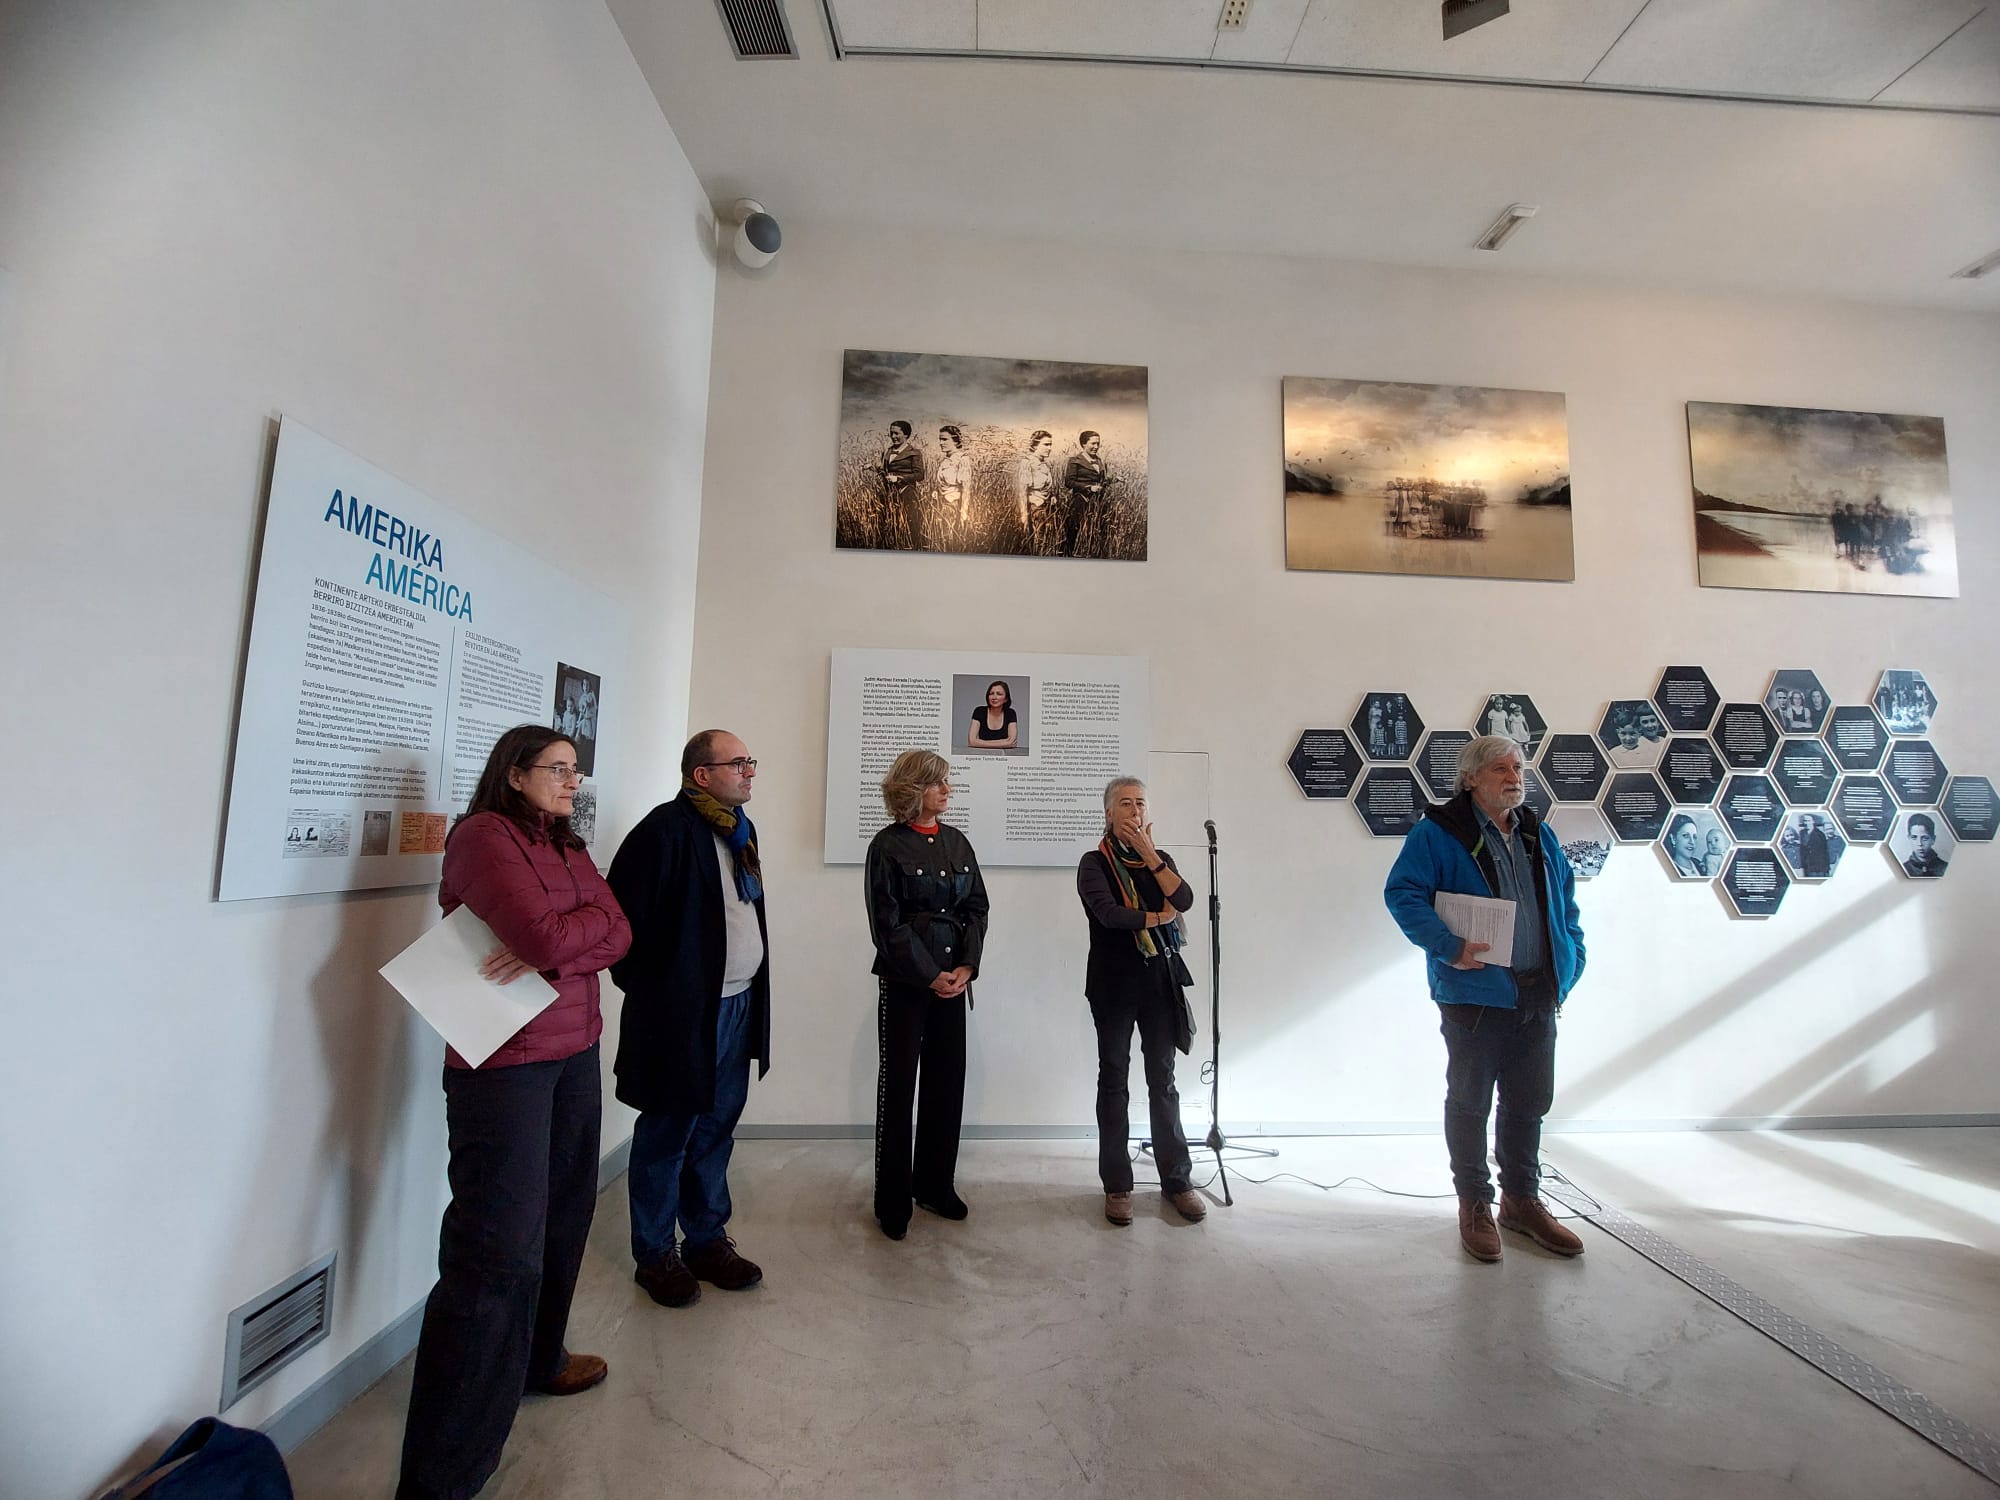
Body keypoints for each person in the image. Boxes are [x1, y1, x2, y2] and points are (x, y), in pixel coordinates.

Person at [397, 726, 632, 1500]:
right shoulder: (482, 837)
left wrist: (564, 941)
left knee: (565, 1217)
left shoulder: (563, 841)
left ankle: (539, 1359)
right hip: (505, 1066)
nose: (573, 782)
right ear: (515, 773)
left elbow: (618, 928)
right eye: (559, 770)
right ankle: (442, 1475)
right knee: (495, 1256)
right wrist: (563, 938)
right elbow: (539, 932)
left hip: (573, 1054)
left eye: (575, 771)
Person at [1384, 735, 1586, 1263]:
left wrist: (1571, 959)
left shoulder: (1537, 834)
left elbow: (1566, 906)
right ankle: (1474, 1203)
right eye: (1500, 768)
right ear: (1471, 778)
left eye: (1518, 766)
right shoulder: (1439, 834)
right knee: (1471, 1102)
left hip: (1538, 993)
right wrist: (1447, 947)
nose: (1513, 776)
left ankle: (1521, 1201)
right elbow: (1401, 893)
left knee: (1529, 1102)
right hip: (1474, 996)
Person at [606, 731, 773, 1310]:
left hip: (739, 1003)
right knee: (667, 1133)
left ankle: (704, 1239)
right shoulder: (662, 832)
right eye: (738, 763)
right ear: (701, 775)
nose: (750, 771)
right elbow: (619, 929)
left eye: (750, 762)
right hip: (684, 1016)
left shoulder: (738, 831)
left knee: (716, 1127)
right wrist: (663, 997)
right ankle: (654, 1254)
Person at [865, 749, 990, 1239]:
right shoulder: (887, 846)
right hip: (907, 985)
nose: (948, 790)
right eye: (939, 783)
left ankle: (935, 1185)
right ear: (915, 787)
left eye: (947, 782)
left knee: (946, 1084)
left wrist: (966, 966)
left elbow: (977, 907)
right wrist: (927, 974)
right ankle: (892, 1201)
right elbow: (886, 924)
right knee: (897, 1089)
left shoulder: (957, 842)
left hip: (952, 985)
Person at [1078, 777, 1203, 1226]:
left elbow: (1184, 898)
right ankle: (1118, 1185)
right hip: (1114, 986)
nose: (1133, 811)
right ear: (1109, 813)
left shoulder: (1159, 860)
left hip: (1158, 984)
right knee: (1114, 1082)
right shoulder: (1093, 863)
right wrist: (1156, 917)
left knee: (1163, 1081)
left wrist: (1151, 857)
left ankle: (1177, 1181)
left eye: (1140, 804)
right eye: (1124, 804)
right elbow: (1110, 915)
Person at [876, 420, 924, 549]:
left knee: (910, 523)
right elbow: (885, 472)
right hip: (888, 494)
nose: (893, 436)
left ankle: (913, 548)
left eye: (896, 433)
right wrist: (873, 468)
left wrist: (899, 478)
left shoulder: (914, 452)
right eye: (891, 433)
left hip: (907, 494)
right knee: (890, 522)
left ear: (906, 435)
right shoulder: (887, 451)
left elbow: (920, 475)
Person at [1061, 429, 1108, 556]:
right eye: (1093, 443)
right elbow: (1068, 482)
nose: (1096, 447)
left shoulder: (1099, 461)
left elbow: (1101, 481)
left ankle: (1090, 554)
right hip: (1080, 501)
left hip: (1097, 502)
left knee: (1094, 530)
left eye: (1098, 443)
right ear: (1083, 444)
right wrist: (1088, 488)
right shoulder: (1074, 460)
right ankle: (1067, 555)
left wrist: (1114, 480)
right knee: (1074, 529)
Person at [1019, 429, 1056, 550]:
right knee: (1039, 541)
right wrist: (1024, 515)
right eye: (1046, 444)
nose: (1049, 448)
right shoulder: (1027, 463)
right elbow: (1022, 491)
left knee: (1047, 539)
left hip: (1046, 507)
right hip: (1035, 506)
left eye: (1050, 444)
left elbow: (1047, 486)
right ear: (1035, 445)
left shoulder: (1044, 464)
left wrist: (1053, 496)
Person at [935, 424, 971, 531]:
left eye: (945, 439)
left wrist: (963, 515)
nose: (941, 443)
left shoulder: (962, 459)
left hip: (953, 505)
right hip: (941, 505)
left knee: (949, 537)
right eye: (940, 439)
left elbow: (966, 489)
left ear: (955, 441)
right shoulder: (945, 461)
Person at [967, 679, 1018, 749]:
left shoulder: (1010, 713)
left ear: (1006, 699)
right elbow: (971, 741)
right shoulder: (979, 711)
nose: (994, 697)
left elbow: (1012, 742)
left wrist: (979, 742)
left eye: (999, 694)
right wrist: (1003, 743)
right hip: (982, 756)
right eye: (991, 694)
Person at [1903, 812, 1948, 877]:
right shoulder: (1903, 869)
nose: (1919, 844)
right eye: (1914, 837)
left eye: (1925, 838)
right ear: (1909, 838)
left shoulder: (1945, 868)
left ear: (1933, 839)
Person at [1664, 813, 1707, 878]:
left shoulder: (1699, 864)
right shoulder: (1668, 869)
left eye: (1694, 837)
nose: (1692, 842)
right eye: (1686, 836)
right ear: (1673, 839)